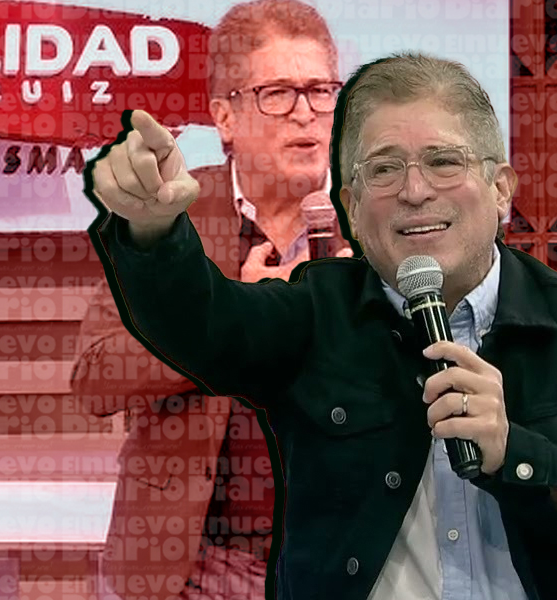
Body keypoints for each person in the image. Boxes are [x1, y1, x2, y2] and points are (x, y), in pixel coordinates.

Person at [86, 52, 557, 600]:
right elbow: (202, 323)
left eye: (444, 161)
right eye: (382, 170)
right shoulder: (318, 311)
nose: (414, 190)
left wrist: (516, 455)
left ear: (501, 189)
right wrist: (153, 230)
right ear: (352, 210)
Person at [69, 1, 349, 599]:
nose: (306, 113)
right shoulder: (169, 217)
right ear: (225, 116)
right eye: (278, 93)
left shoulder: (382, 219)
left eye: (321, 91)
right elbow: (97, 377)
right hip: (194, 567)